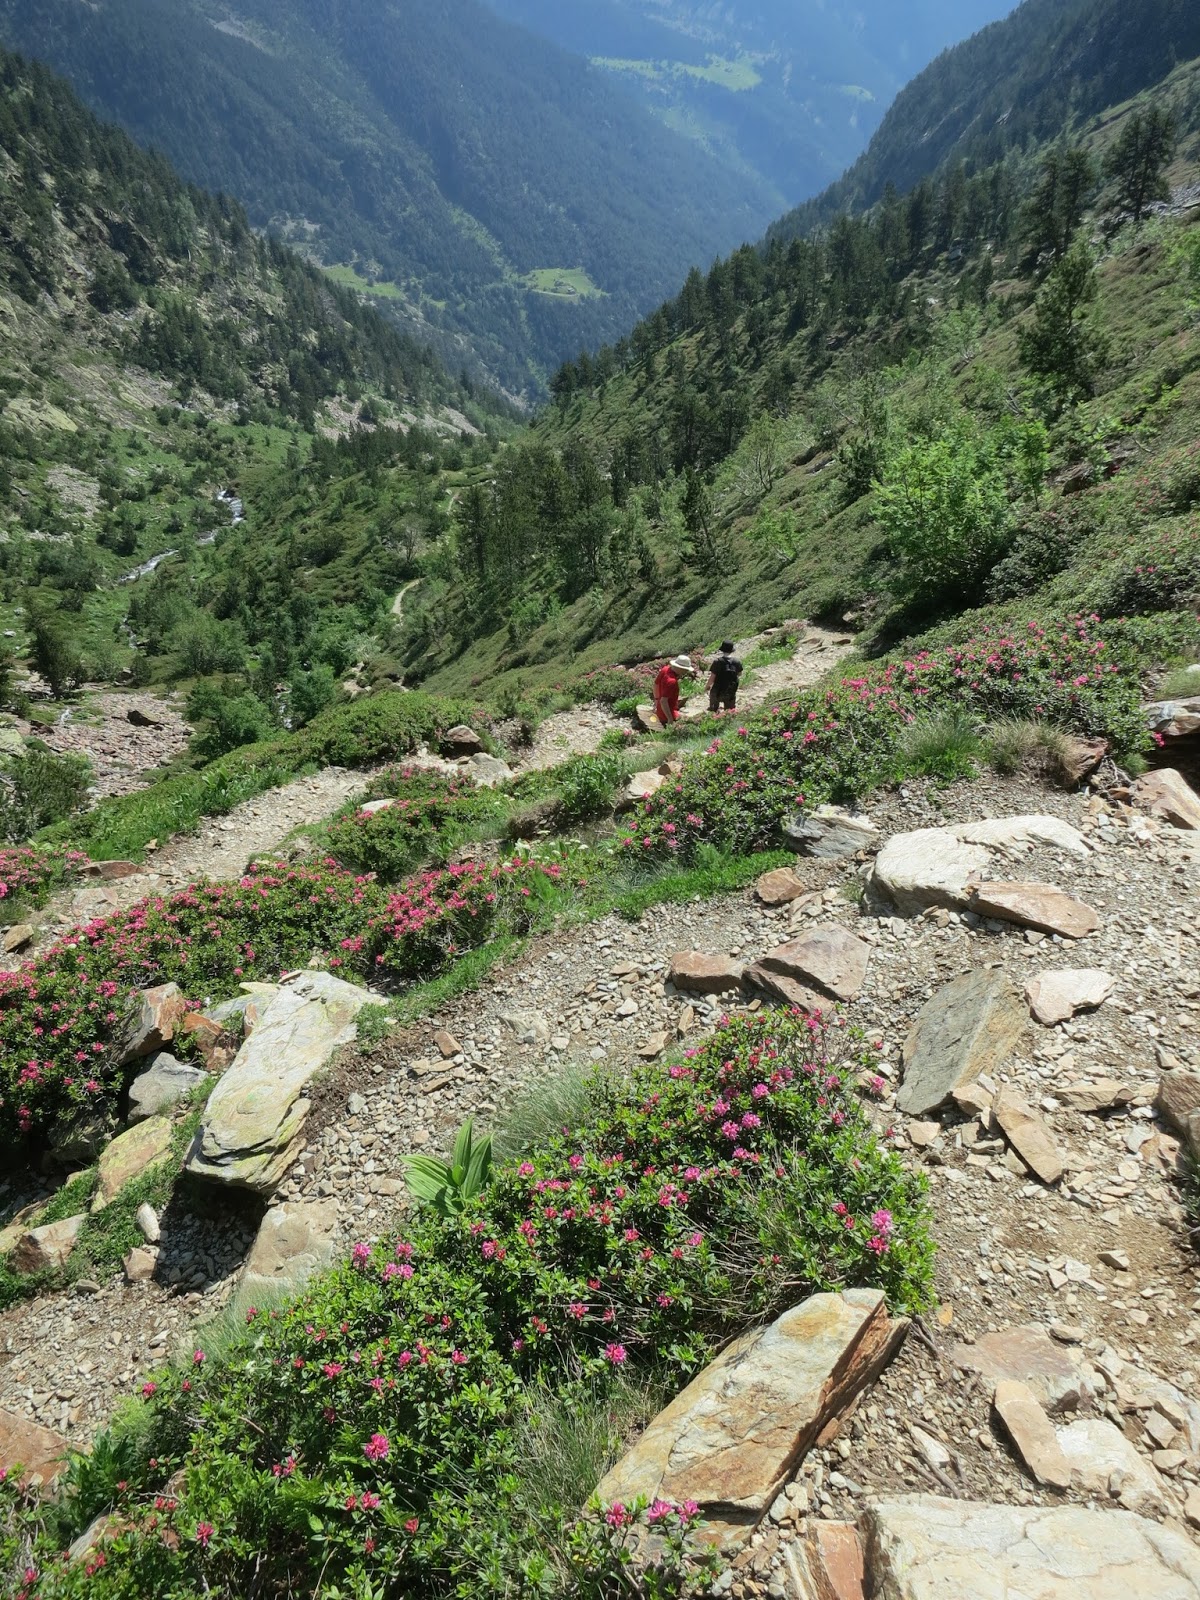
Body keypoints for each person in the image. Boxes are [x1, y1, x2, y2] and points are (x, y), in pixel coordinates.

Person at [653, 654, 693, 725]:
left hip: (660, 709)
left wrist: (656, 700)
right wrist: (670, 719)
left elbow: (656, 684)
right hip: (666, 715)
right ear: (680, 668)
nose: (686, 672)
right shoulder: (672, 681)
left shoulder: (665, 669)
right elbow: (663, 701)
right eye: (685, 670)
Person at [707, 640, 742, 713]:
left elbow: (712, 677)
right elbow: (739, 674)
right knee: (730, 711)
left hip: (717, 689)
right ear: (731, 650)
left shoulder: (717, 662)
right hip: (731, 690)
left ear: (722, 650)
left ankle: (714, 715)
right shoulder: (737, 662)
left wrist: (707, 686)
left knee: (713, 710)